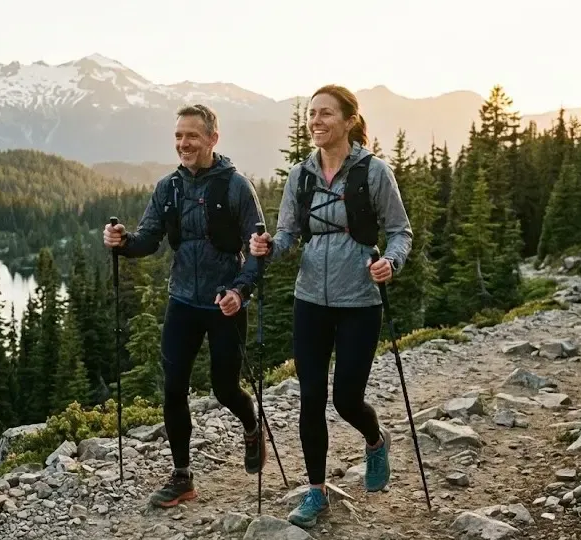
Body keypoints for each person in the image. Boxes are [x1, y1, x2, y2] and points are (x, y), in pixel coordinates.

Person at [249, 84, 413, 528]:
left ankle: (375, 440)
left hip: (360, 299)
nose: (315, 121)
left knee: (346, 399)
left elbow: (400, 231)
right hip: (309, 300)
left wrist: (391, 263)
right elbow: (287, 236)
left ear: (349, 120)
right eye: (312, 114)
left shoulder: (374, 172)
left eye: (325, 113)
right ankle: (316, 492)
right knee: (310, 398)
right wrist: (268, 247)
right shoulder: (300, 176)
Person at [104, 103, 268, 508]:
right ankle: (182, 477)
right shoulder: (169, 188)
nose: (183, 143)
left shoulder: (236, 187)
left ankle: (251, 425)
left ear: (213, 138)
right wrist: (122, 242)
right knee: (174, 388)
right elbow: (148, 239)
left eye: (192, 135)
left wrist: (240, 292)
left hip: (224, 303)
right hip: (182, 301)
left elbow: (258, 250)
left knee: (225, 388)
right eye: (178, 136)